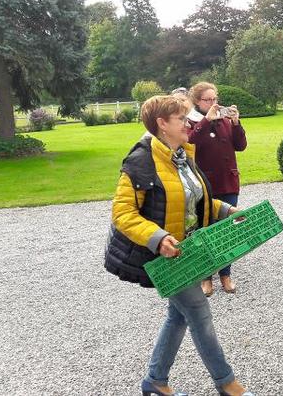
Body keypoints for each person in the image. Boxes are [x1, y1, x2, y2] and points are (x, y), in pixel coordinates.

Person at [103, 95, 253, 396]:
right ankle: (226, 383)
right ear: (162, 124)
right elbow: (122, 214)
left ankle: (155, 382)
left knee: (178, 316)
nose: (189, 123)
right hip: (167, 257)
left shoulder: (182, 156)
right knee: (198, 313)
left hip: (188, 253)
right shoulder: (140, 161)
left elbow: (195, 200)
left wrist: (225, 211)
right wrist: (158, 239)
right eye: (182, 118)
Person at [186, 82, 248, 296]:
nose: (213, 103)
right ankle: (206, 278)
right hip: (205, 185)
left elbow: (240, 146)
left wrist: (236, 123)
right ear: (197, 102)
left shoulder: (225, 120)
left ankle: (225, 274)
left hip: (228, 181)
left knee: (227, 230)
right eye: (208, 100)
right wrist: (206, 120)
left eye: (215, 98)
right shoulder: (191, 121)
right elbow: (191, 142)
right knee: (205, 230)